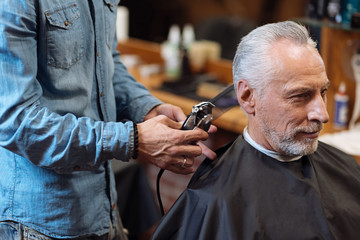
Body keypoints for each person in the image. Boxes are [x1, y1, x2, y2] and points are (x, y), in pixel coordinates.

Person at [0, 1, 216, 239]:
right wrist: (133, 139)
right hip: (42, 222)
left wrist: (145, 108)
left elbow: (107, 64)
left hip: (104, 208)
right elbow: (17, 121)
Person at [152, 21, 360, 240]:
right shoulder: (214, 201)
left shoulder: (345, 168)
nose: (322, 114)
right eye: (300, 96)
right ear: (248, 97)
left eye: (323, 92)